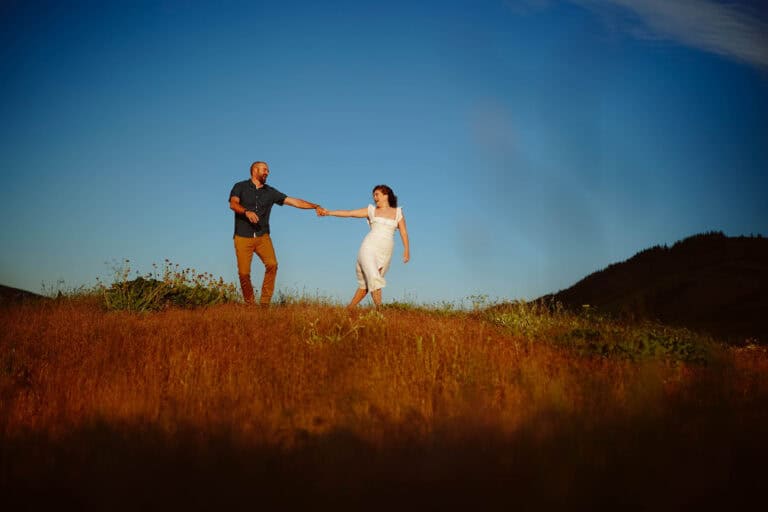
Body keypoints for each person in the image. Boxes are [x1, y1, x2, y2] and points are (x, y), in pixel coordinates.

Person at [229, 161, 321, 305]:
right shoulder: (239, 186)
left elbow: (294, 202)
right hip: (242, 236)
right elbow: (233, 204)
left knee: (272, 264)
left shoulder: (270, 192)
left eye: (268, 170)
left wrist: (315, 206)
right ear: (255, 170)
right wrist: (246, 212)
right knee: (244, 273)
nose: (267, 172)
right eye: (264, 170)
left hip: (262, 236)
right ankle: (250, 305)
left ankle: (265, 303)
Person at [317, 184, 410, 308]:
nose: (374, 197)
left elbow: (403, 232)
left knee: (367, 284)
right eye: (373, 195)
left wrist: (406, 250)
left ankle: (349, 309)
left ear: (386, 195)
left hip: (386, 251)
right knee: (374, 278)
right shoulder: (371, 210)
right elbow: (350, 213)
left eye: (377, 194)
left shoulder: (398, 212)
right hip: (369, 247)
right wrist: (328, 212)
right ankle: (379, 312)